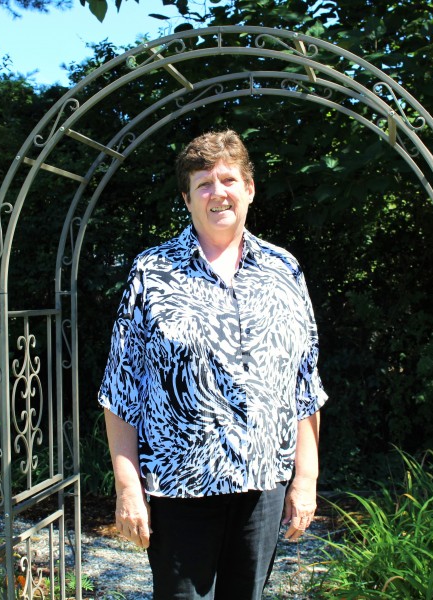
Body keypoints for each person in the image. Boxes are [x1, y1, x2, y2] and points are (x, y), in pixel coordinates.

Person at [98, 130, 328, 600]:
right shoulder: (152, 271)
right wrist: (127, 487)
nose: (217, 192)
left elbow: (304, 383)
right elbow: (121, 387)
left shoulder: (284, 269)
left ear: (249, 189)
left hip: (263, 485)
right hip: (179, 488)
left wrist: (306, 479)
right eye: (203, 184)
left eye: (228, 180)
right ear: (187, 198)